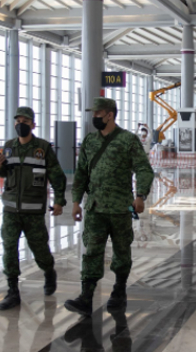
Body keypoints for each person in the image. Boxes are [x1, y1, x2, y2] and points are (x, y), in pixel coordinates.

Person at [64, 97, 156, 316]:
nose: (94, 118)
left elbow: (144, 169)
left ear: (110, 115)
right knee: (92, 252)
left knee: (121, 251)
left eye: (97, 114)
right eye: (93, 114)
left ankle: (119, 291)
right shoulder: (89, 141)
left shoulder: (127, 140)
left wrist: (140, 195)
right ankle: (86, 297)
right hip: (95, 208)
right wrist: (76, 202)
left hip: (119, 208)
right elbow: (82, 174)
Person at [0, 106, 67, 310]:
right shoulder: (8, 147)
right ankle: (12, 291)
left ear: (33, 124)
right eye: (17, 121)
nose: (20, 124)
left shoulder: (42, 148)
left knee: (40, 249)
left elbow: (56, 175)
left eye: (25, 121)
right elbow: (4, 174)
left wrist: (59, 200)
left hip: (33, 211)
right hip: (10, 210)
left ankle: (49, 272)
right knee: (9, 249)